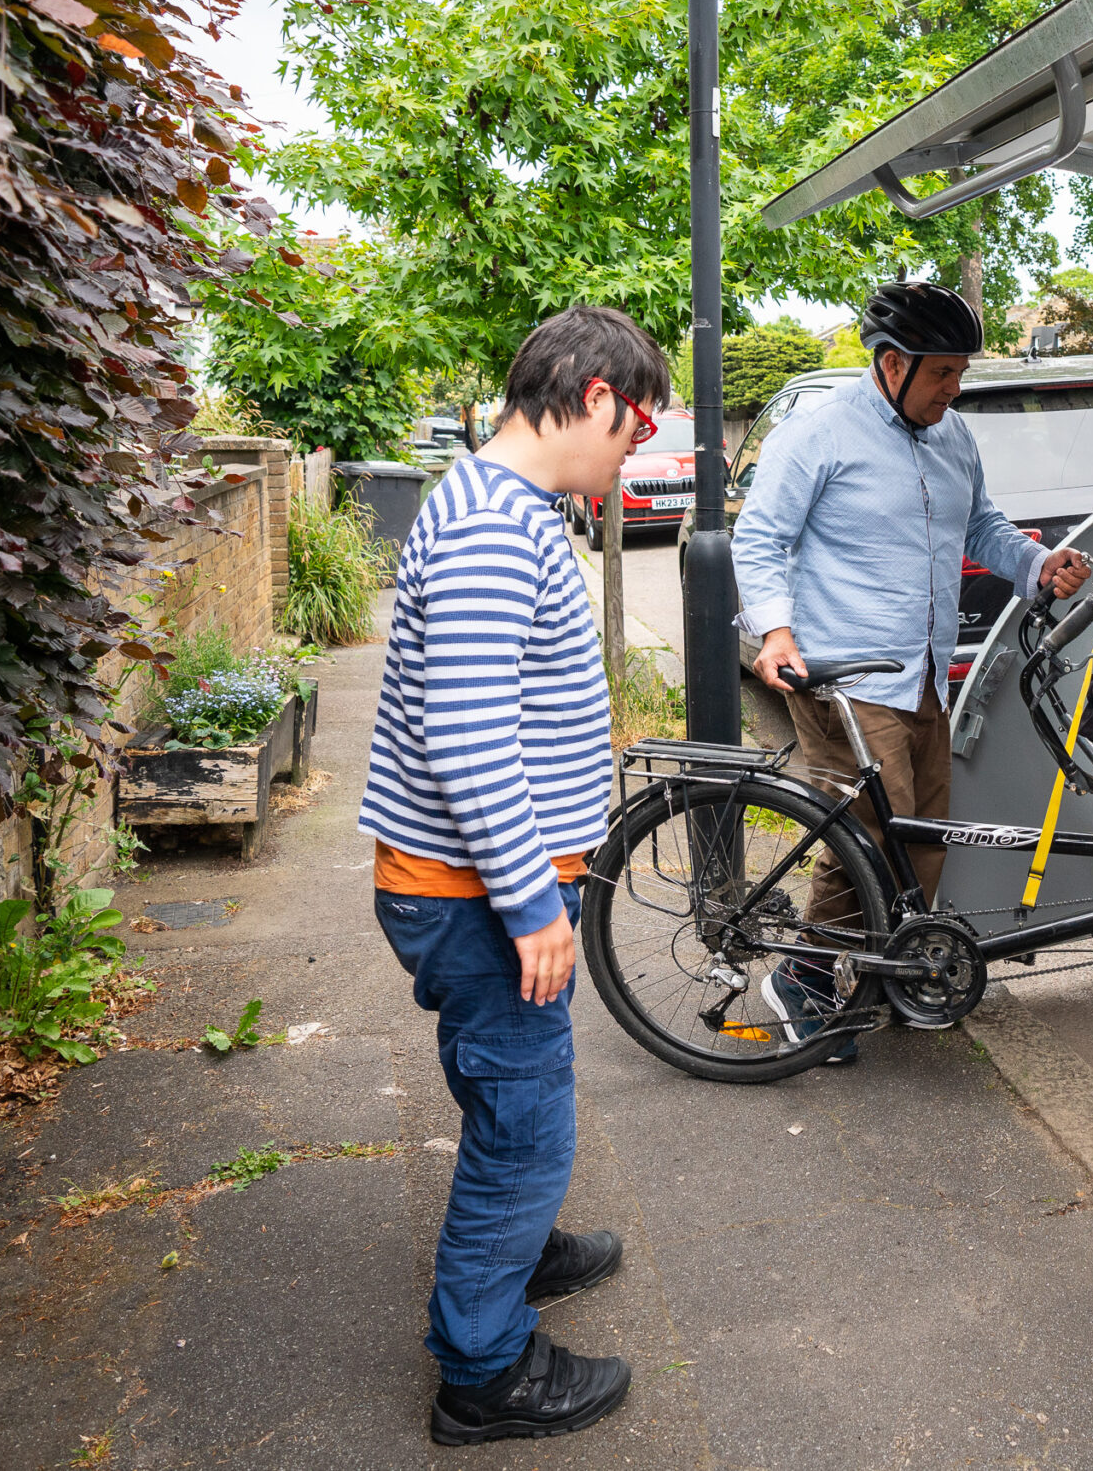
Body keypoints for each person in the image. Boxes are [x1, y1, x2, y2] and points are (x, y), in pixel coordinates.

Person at [360, 305, 669, 1445]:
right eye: (635, 428)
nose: (633, 452)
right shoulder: (498, 524)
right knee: (527, 1120)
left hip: (463, 881)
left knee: (504, 1087)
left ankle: (517, 1242)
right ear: (595, 397)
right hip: (481, 891)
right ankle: (482, 1369)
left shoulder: (490, 502)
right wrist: (533, 899)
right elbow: (471, 733)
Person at [731, 282, 1093, 1059]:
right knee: (870, 840)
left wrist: (1039, 566)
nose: (954, 388)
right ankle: (802, 977)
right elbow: (758, 538)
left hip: (924, 673)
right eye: (942, 373)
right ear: (892, 364)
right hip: (842, 675)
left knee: (923, 837)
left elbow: (985, 527)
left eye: (960, 371)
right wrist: (775, 631)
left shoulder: (952, 434)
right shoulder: (819, 434)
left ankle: (879, 974)